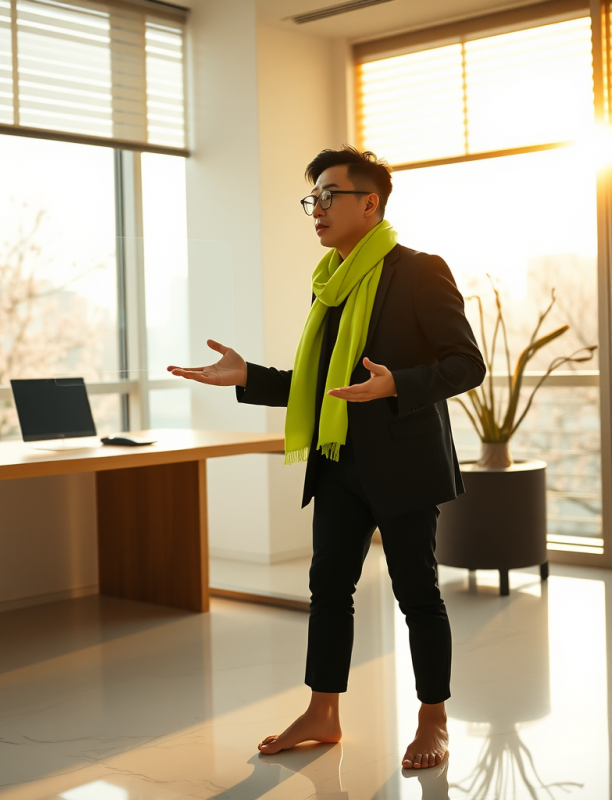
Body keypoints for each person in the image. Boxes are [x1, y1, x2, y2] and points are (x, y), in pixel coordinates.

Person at [167, 146, 486, 770]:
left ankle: (433, 719)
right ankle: (323, 711)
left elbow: (466, 363)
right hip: (338, 459)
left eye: (328, 196)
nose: (315, 209)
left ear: (370, 203)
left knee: (417, 594)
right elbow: (322, 384)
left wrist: (397, 384)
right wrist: (248, 376)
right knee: (328, 590)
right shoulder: (331, 286)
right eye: (311, 198)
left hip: (404, 463)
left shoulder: (420, 271)